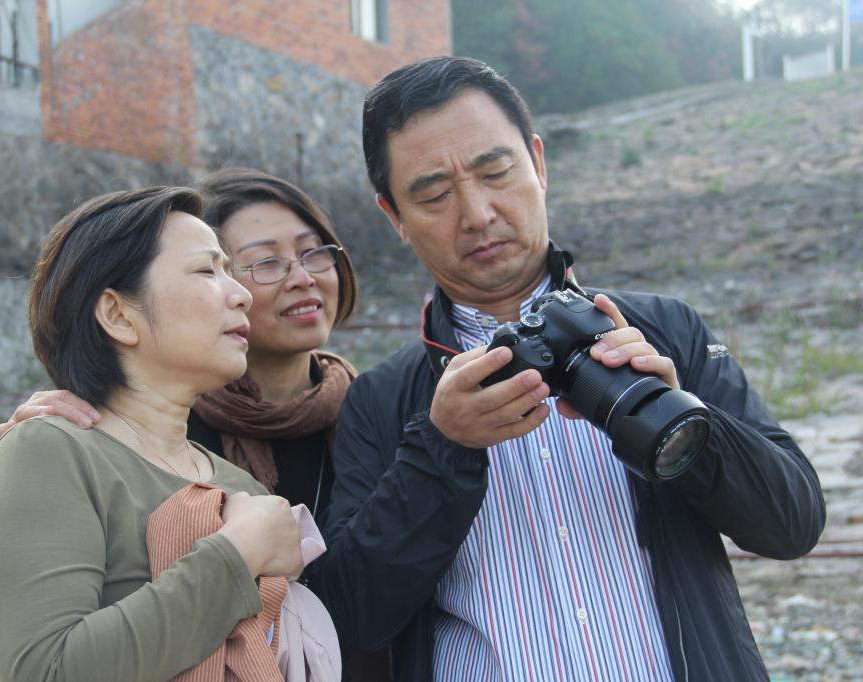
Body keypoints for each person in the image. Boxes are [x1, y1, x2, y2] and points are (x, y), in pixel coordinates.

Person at [314, 56, 826, 682]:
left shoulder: (663, 330)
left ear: (538, 162)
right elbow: (351, 616)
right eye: (434, 195)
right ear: (394, 216)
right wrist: (441, 446)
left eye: (495, 171)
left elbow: (792, 524)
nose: (476, 214)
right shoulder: (383, 398)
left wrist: (688, 424)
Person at [0, 186, 307, 680]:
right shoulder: (49, 452)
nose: (242, 294)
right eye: (207, 271)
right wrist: (235, 555)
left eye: (229, 270)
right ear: (118, 315)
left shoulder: (242, 489)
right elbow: (47, 671)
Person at [0, 169, 359, 521]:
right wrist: (39, 450)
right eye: (266, 262)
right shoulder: (147, 427)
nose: (302, 278)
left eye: (313, 252)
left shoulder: (372, 407)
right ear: (118, 314)